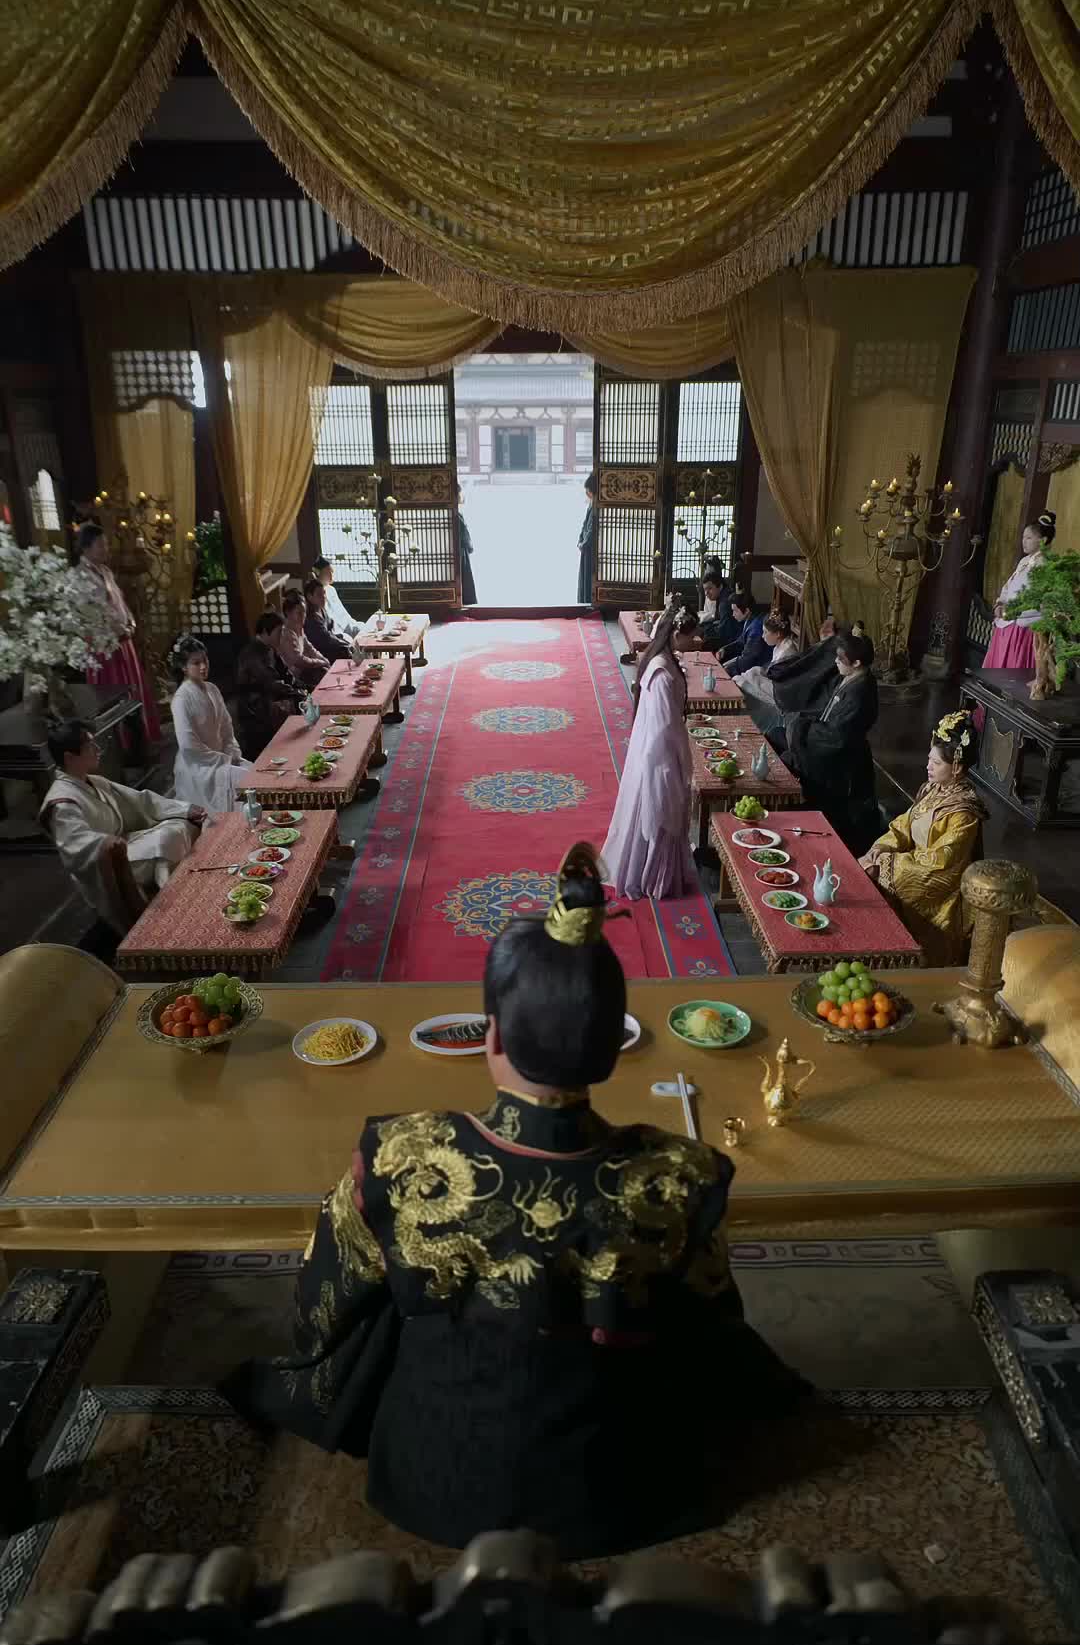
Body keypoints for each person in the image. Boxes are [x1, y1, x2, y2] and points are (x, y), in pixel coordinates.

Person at [223, 844, 806, 1557]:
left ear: (492, 1035)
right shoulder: (678, 1174)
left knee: (381, 1301)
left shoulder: (403, 1154)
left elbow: (325, 1302)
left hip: (433, 1477)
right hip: (616, 1489)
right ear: (612, 1046)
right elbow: (712, 1315)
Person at [41, 720, 203, 934]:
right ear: (70, 757)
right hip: (111, 862)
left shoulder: (94, 781)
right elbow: (76, 845)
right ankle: (172, 900)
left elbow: (141, 800)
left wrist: (184, 809)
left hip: (128, 844)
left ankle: (172, 888)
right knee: (166, 839)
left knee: (178, 825)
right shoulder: (62, 802)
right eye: (90, 746)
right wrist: (106, 844)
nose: (98, 750)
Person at [860, 710, 986, 966]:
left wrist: (888, 864)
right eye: (929, 760)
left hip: (939, 887)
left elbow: (941, 864)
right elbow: (904, 825)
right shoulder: (932, 789)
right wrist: (882, 847)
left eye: (936, 763)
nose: (928, 767)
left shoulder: (963, 814)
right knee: (865, 865)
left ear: (957, 767)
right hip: (910, 863)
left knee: (873, 874)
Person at [602, 602, 697, 900]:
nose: (693, 641)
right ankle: (654, 876)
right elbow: (665, 727)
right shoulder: (662, 674)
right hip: (659, 753)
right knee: (662, 810)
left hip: (660, 746)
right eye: (690, 636)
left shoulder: (663, 661)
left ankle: (662, 871)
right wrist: (681, 759)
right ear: (675, 635)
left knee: (664, 811)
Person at [783, 625, 880, 854]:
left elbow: (837, 736)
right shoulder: (851, 678)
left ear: (857, 663)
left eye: (841, 658)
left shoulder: (860, 693)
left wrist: (801, 729)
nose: (836, 661)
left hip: (842, 761)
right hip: (834, 746)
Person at [67, 520, 161, 741]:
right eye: (101, 545)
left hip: (123, 640)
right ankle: (121, 744)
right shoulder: (78, 576)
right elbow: (89, 613)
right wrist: (116, 628)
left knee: (133, 688)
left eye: (106, 544)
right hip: (103, 646)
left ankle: (141, 738)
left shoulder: (106, 571)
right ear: (86, 547)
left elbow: (120, 602)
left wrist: (130, 622)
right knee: (113, 695)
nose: (106, 549)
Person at [170, 635, 255, 815]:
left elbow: (226, 727)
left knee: (257, 773)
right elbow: (189, 746)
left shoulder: (212, 689)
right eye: (196, 663)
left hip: (222, 757)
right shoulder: (181, 699)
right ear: (184, 667)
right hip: (199, 766)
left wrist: (231, 752)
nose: (203, 666)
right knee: (248, 781)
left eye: (205, 660)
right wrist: (223, 760)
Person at [983, 512, 1055, 674]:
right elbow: (1008, 587)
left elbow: (1039, 601)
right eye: (1023, 537)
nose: (1024, 541)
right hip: (1007, 622)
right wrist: (1000, 604)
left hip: (1022, 627)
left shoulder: (1045, 565)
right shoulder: (1024, 561)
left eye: (1029, 538)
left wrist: (1012, 612)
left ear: (1043, 540)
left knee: (1012, 672)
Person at [234, 611, 305, 760]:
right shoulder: (252, 653)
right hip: (255, 707)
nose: (281, 636)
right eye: (279, 632)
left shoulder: (270, 649)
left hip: (270, 698)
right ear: (266, 632)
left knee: (303, 699)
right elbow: (271, 682)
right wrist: (298, 693)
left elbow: (286, 674)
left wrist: (302, 687)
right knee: (299, 704)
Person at [733, 610, 797, 709]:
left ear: (778, 634)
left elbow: (777, 683)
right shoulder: (781, 645)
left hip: (781, 692)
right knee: (753, 671)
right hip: (776, 682)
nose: (763, 636)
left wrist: (756, 678)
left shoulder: (786, 652)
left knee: (741, 680)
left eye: (766, 632)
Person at [278, 588, 329, 690]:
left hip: (303, 672)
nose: (303, 616)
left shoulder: (299, 628)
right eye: (299, 613)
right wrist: (319, 662)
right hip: (293, 678)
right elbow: (299, 660)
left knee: (325, 670)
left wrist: (324, 660)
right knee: (322, 673)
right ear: (288, 613)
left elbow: (309, 648)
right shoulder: (286, 633)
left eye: (304, 612)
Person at [303, 576, 355, 664]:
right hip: (322, 652)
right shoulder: (311, 619)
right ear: (309, 597)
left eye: (324, 593)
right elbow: (326, 639)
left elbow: (331, 630)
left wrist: (342, 639)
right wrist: (345, 645)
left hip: (330, 645)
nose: (323, 597)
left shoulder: (321, 610)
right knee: (347, 651)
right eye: (319, 595)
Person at [314, 557, 361, 641]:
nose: (331, 575)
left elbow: (341, 611)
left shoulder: (331, 589)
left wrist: (352, 623)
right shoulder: (317, 592)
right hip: (335, 630)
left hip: (346, 624)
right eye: (328, 572)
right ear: (319, 573)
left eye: (332, 572)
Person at [720, 595, 768, 675]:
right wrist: (725, 649)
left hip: (759, 668)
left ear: (747, 610)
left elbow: (748, 659)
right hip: (749, 662)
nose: (733, 614)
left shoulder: (755, 629)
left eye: (735, 611)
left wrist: (728, 668)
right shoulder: (750, 619)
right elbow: (741, 641)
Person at [698, 568, 740, 653]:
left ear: (720, 586)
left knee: (702, 643)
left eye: (710, 588)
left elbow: (724, 631)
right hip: (730, 634)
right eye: (705, 589)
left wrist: (704, 631)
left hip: (733, 641)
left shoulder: (725, 602)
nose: (706, 593)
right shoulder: (724, 594)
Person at [576, 471, 597, 605]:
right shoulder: (591, 505)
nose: (587, 494)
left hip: (590, 549)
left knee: (589, 578)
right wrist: (580, 540)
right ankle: (584, 602)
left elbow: (592, 529)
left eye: (588, 491)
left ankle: (587, 603)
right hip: (585, 547)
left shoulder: (596, 507)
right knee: (585, 578)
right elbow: (585, 526)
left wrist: (583, 544)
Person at [456, 479, 477, 606]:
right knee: (462, 574)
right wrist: (469, 546)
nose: (461, 496)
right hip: (459, 549)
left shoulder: (456, 512)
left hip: (459, 548)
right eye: (459, 493)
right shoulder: (455, 514)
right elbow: (464, 532)